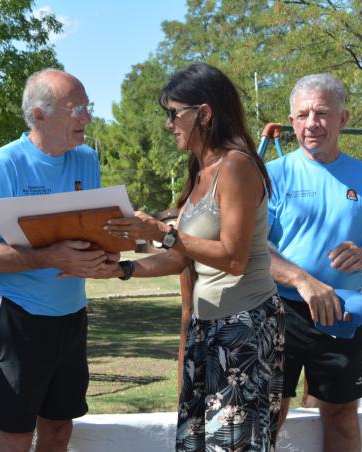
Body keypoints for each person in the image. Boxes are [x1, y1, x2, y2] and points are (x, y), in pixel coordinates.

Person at [100, 63, 284, 451]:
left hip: (242, 330)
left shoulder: (236, 166)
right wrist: (122, 269)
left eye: (173, 113)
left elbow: (233, 259)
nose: (168, 124)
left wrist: (164, 234)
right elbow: (182, 258)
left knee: (233, 446)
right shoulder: (201, 171)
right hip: (208, 329)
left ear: (205, 113)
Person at [0, 68, 116, 452]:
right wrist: (51, 256)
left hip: (71, 315)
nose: (87, 118)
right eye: (76, 108)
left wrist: (107, 252)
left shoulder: (86, 160)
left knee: (59, 429)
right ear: (39, 115)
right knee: (15, 435)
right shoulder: (5, 164)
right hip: (18, 318)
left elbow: (93, 231)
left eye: (87, 107)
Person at [267, 74, 362, 451]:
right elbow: (255, 248)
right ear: (292, 121)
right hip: (280, 312)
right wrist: (302, 281)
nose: (312, 123)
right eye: (303, 114)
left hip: (342, 314)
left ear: (343, 118)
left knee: (341, 417)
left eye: (322, 113)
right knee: (269, 413)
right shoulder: (272, 176)